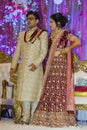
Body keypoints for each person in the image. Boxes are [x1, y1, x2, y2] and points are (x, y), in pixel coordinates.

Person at [30, 12, 81, 127]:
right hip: (51, 65)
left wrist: (67, 48)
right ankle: (48, 116)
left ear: (58, 23)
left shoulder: (65, 33)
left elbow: (78, 42)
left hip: (61, 66)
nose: (50, 24)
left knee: (59, 89)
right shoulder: (51, 35)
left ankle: (60, 117)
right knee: (49, 87)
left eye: (51, 22)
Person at [10, 11, 48, 124]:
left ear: (37, 21)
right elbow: (17, 52)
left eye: (31, 19)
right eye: (28, 19)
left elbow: (44, 51)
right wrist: (13, 67)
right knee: (24, 92)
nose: (29, 21)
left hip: (35, 67)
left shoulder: (42, 34)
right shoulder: (22, 34)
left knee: (35, 91)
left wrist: (35, 64)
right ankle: (26, 118)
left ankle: (34, 117)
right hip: (23, 67)